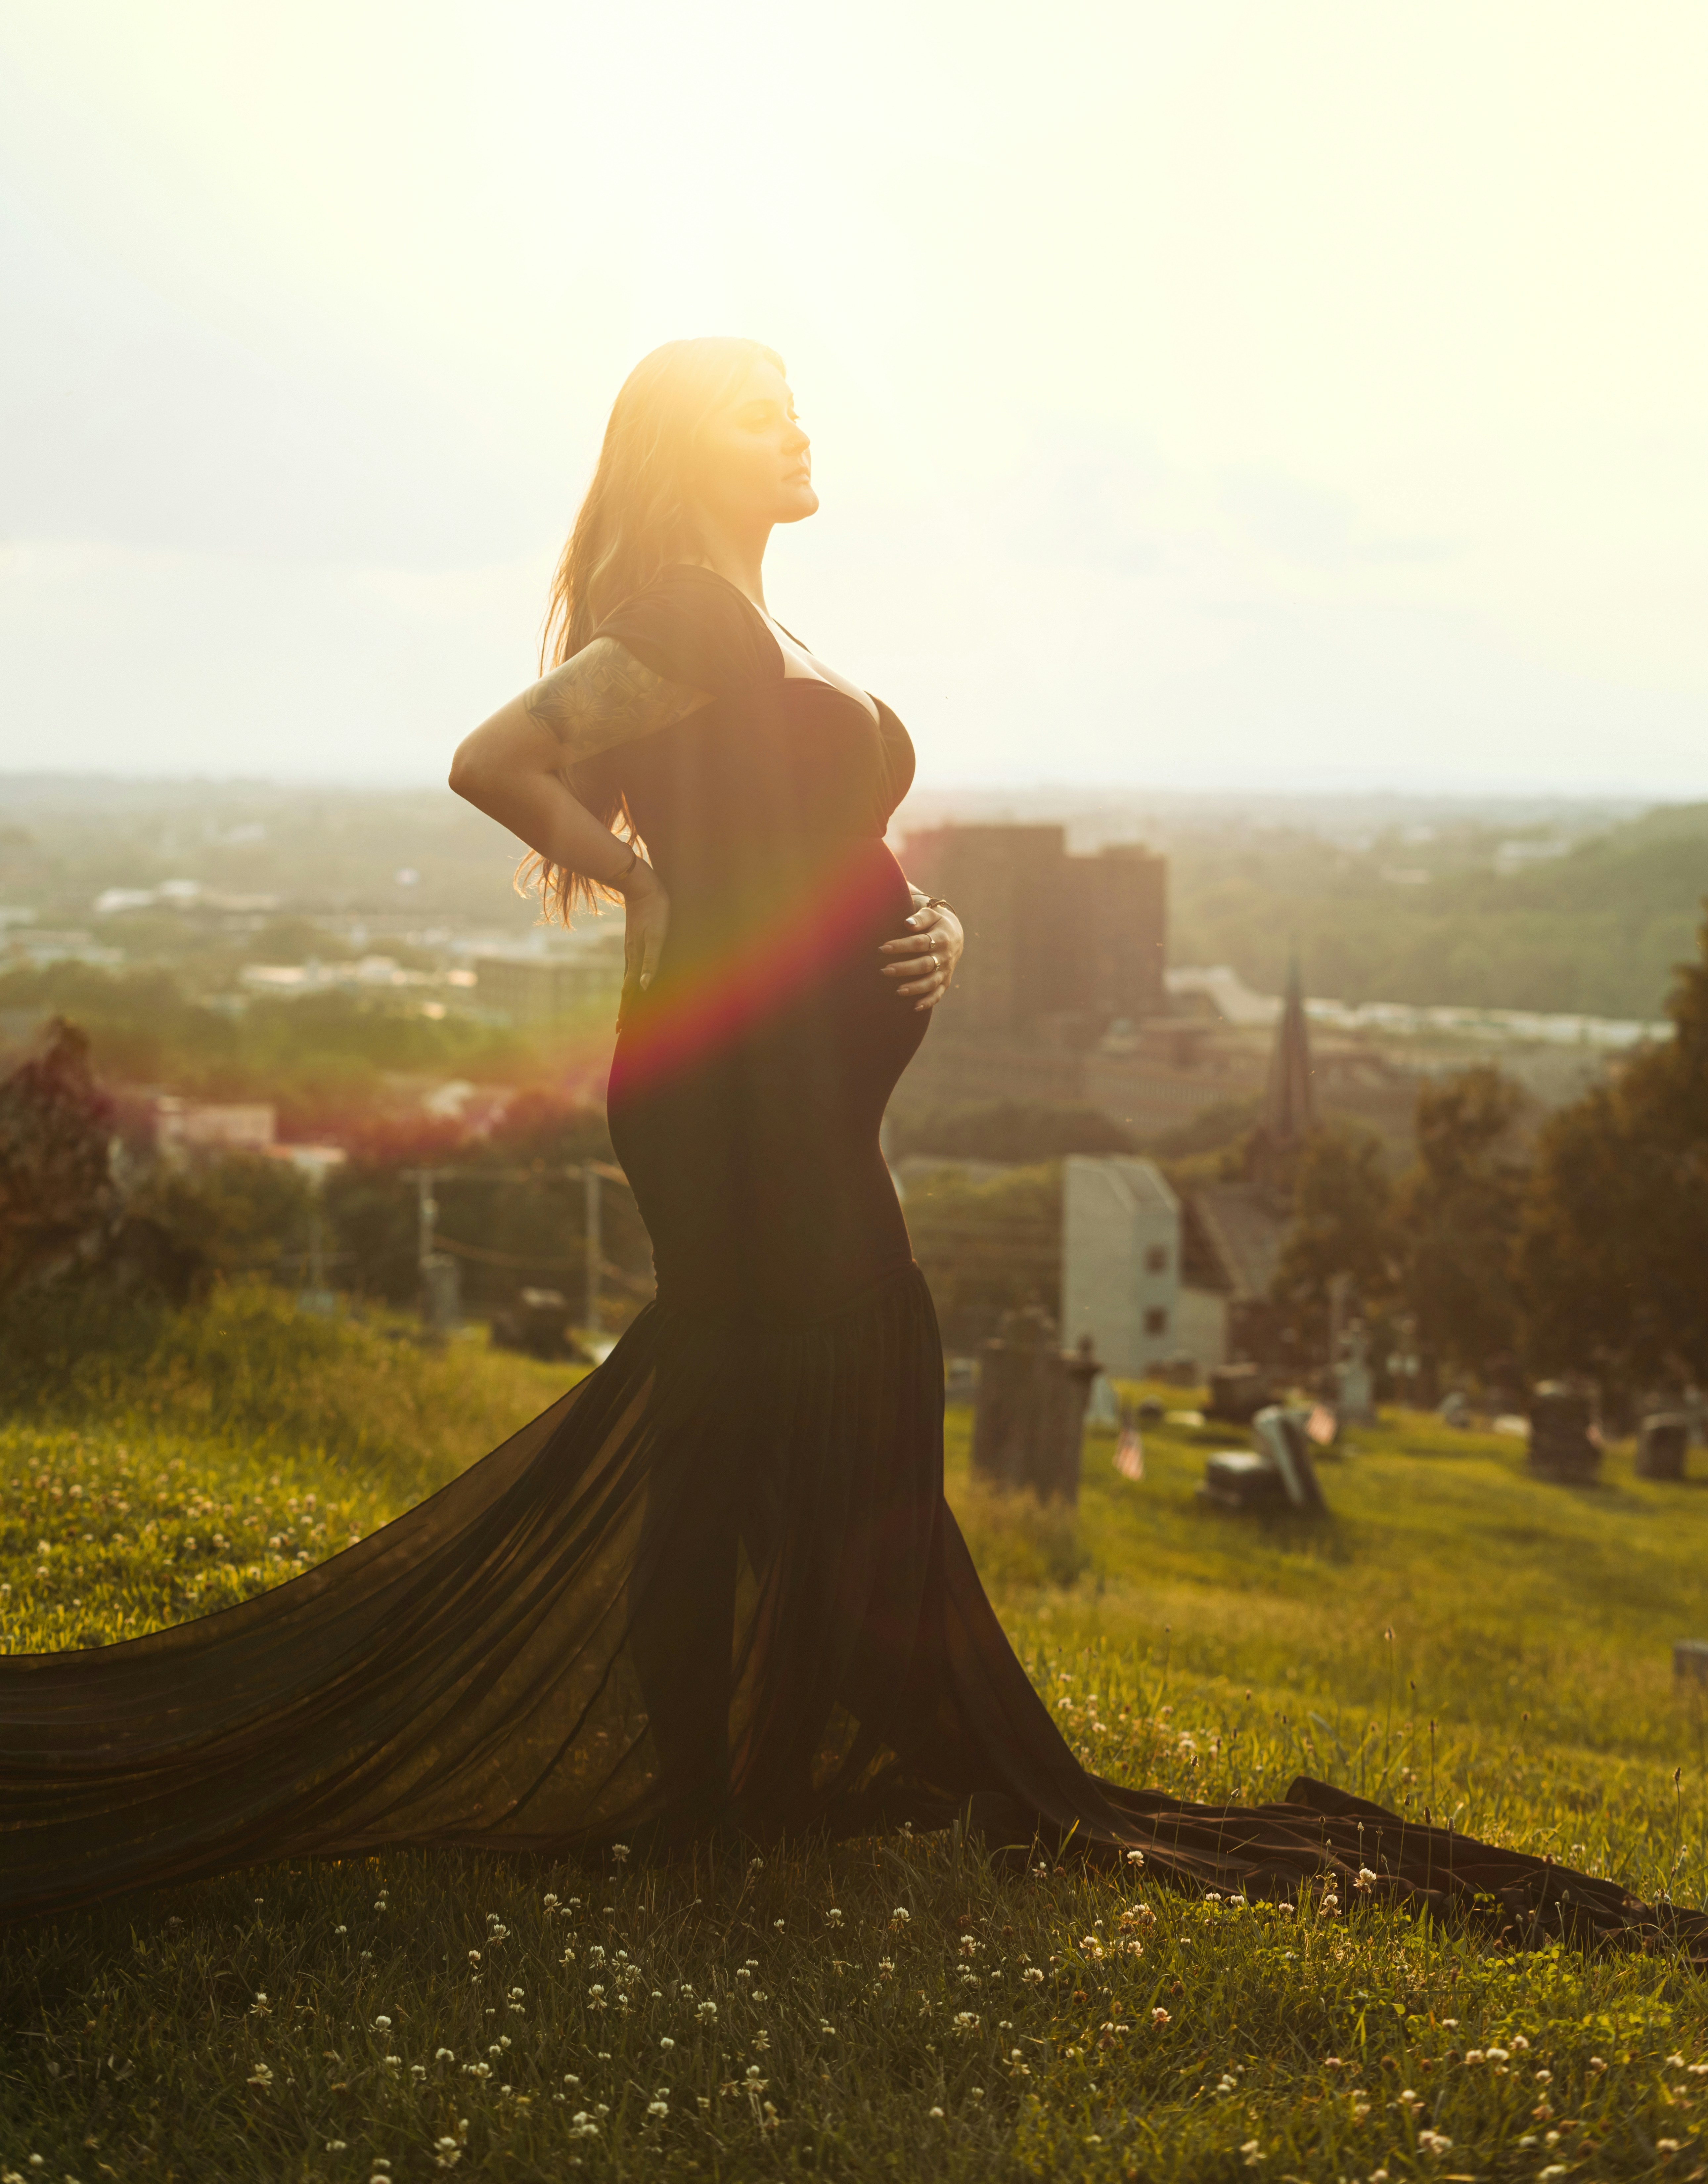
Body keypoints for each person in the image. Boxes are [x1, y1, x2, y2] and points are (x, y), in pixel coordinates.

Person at [2, 341, 1700, 1965]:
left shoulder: (759, 617)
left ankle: (763, 1766)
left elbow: (833, 841)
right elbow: (491, 758)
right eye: (760, 412)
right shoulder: (675, 607)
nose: (800, 431)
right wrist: (640, 880)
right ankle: (706, 1808)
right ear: (685, 452)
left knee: (812, 1388)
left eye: (799, 403)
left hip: (808, 1088)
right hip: (728, 1086)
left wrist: (934, 926)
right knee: (762, 1393)